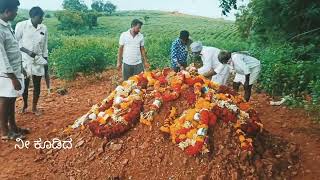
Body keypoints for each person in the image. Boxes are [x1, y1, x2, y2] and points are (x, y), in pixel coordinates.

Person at [0, 0, 29, 140]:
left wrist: (21, 69)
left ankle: (13, 127)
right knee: (5, 101)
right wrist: (12, 77)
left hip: (14, 71)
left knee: (11, 100)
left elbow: (13, 50)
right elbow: (2, 57)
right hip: (6, 74)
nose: (17, 13)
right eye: (15, 10)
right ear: (7, 11)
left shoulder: (7, 26)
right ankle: (5, 132)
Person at [15, 6, 48, 115]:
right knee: (25, 85)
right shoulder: (22, 25)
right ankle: (25, 105)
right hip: (25, 60)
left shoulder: (43, 28)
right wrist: (27, 51)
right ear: (33, 17)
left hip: (38, 60)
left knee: (37, 85)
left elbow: (44, 47)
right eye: (40, 17)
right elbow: (15, 43)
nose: (41, 19)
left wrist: (45, 60)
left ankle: (34, 107)